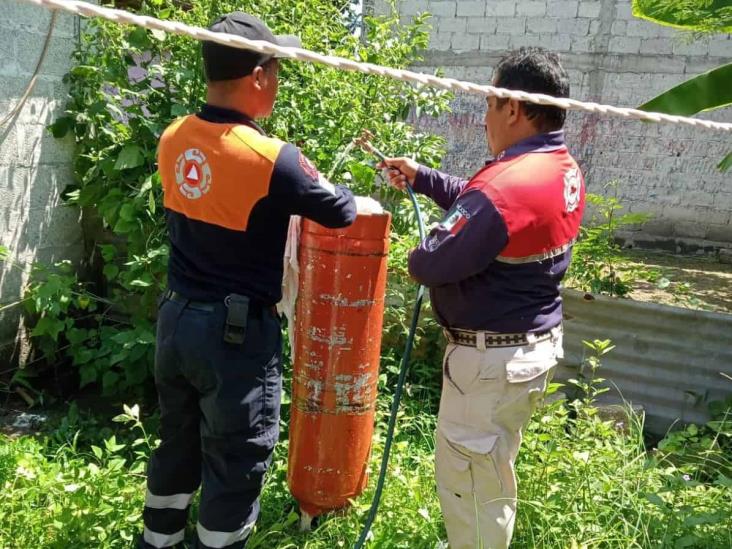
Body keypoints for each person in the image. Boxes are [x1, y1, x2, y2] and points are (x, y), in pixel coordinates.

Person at [140, 12, 356, 549]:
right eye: (277, 71)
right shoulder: (270, 158)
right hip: (233, 340)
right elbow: (342, 211)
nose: (278, 84)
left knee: (178, 442)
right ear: (258, 77)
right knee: (236, 458)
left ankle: (156, 541)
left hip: (176, 321)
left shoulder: (173, 138)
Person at [380, 47, 585, 549]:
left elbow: (429, 262)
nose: (485, 116)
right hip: (527, 353)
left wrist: (420, 245)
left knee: (471, 490)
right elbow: (485, 209)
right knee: (492, 475)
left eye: (490, 102)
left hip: (489, 366)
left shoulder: (505, 186)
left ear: (513, 108)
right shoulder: (560, 168)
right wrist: (424, 178)